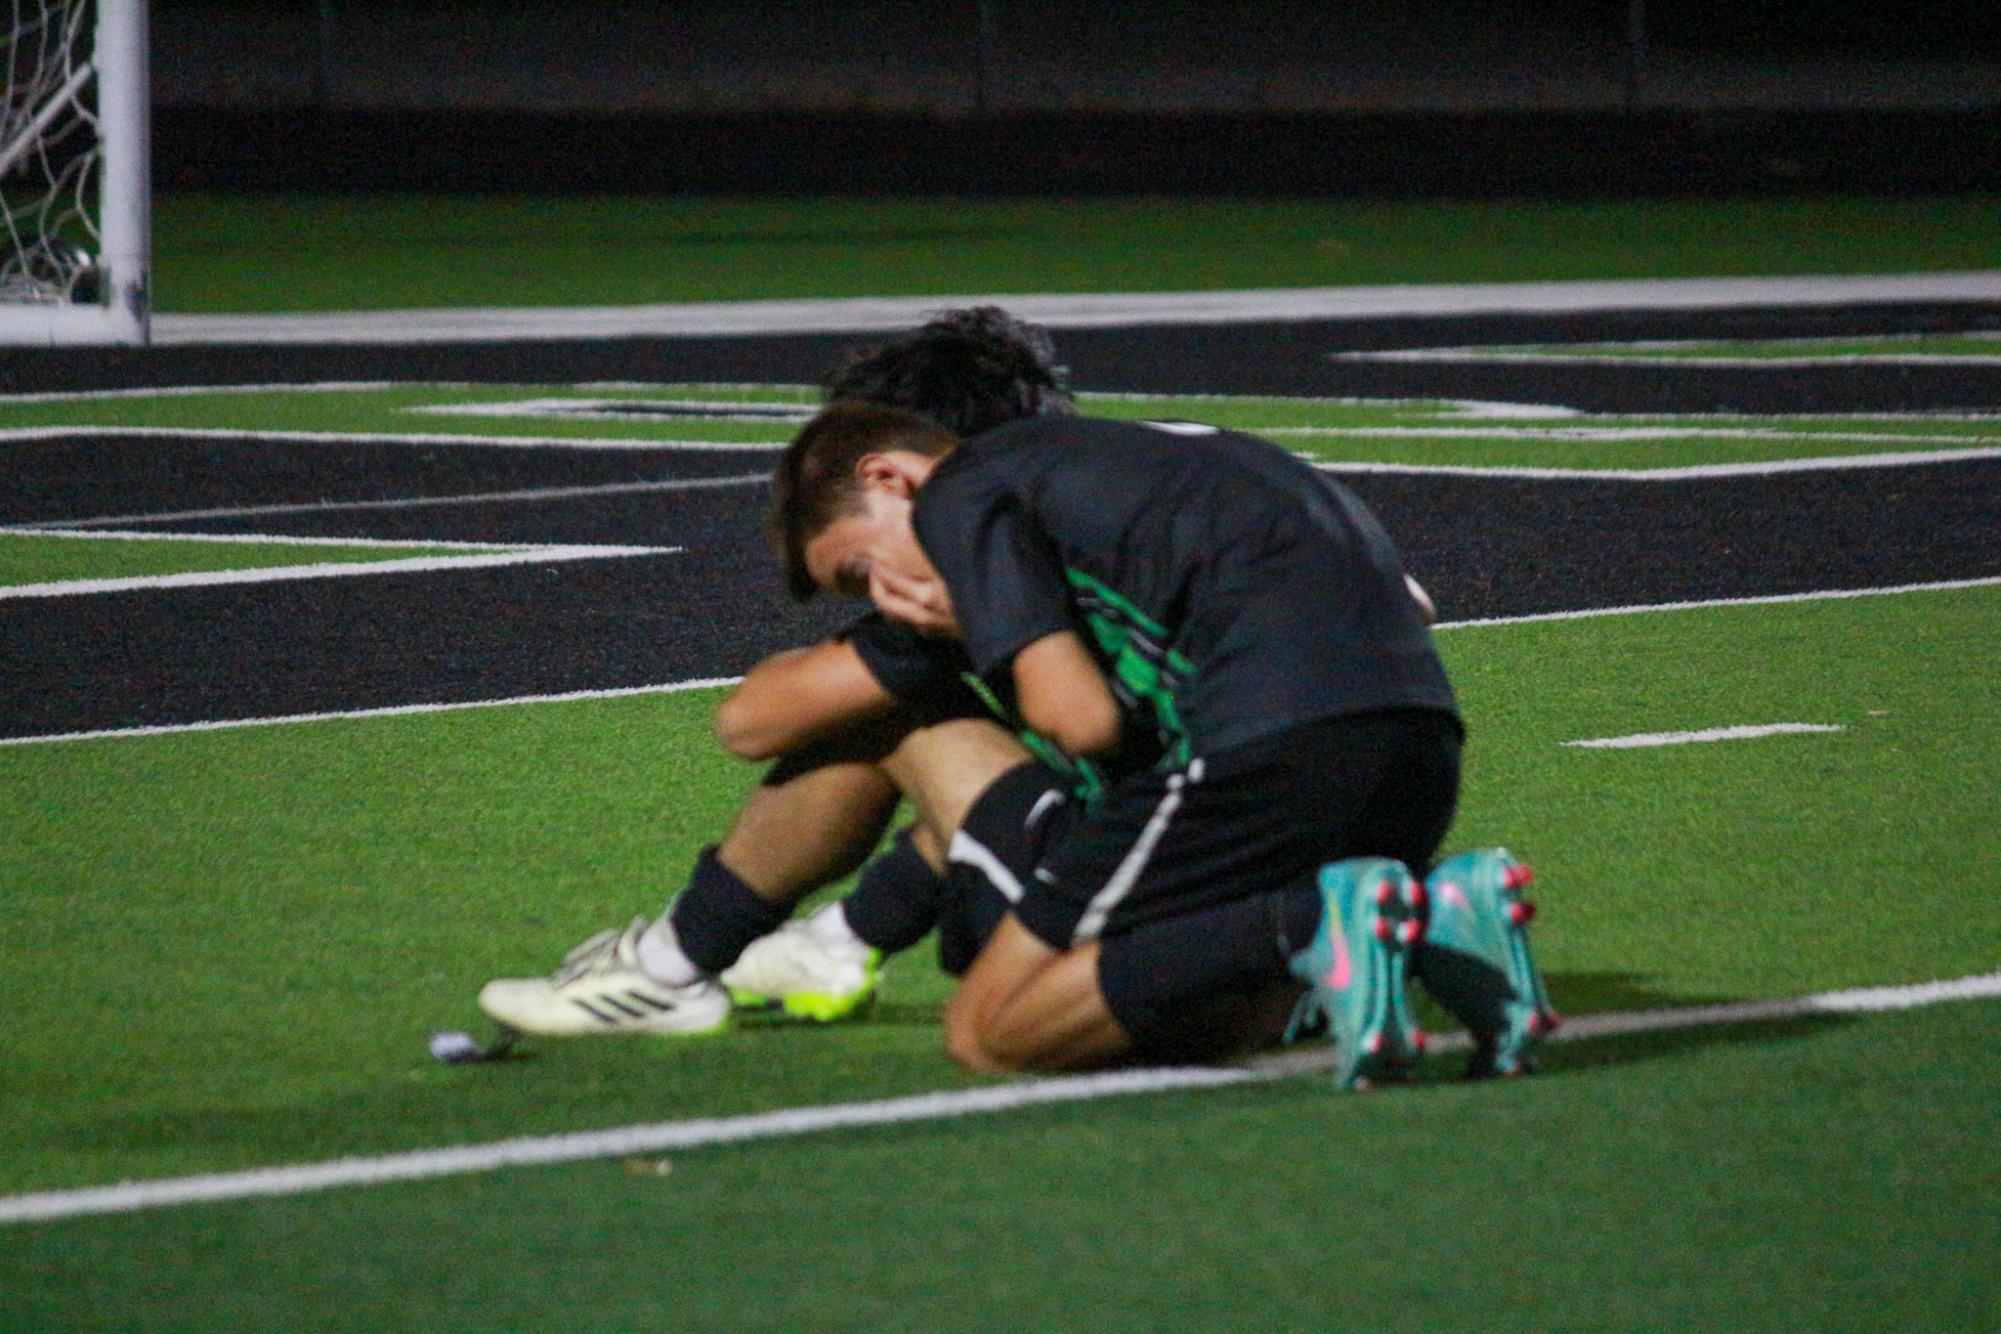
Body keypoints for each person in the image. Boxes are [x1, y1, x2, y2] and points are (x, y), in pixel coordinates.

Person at [484, 360, 1555, 1085]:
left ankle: (1310, 924)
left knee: (990, 1030)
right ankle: (1395, 926)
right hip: (1416, 753)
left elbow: (1076, 723)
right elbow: (1406, 603)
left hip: (1261, 753)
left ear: (894, 475)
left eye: (862, 568)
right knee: (1171, 1005)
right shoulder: (1174, 459)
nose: (885, 593)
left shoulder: (969, 497)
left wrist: (994, 620)